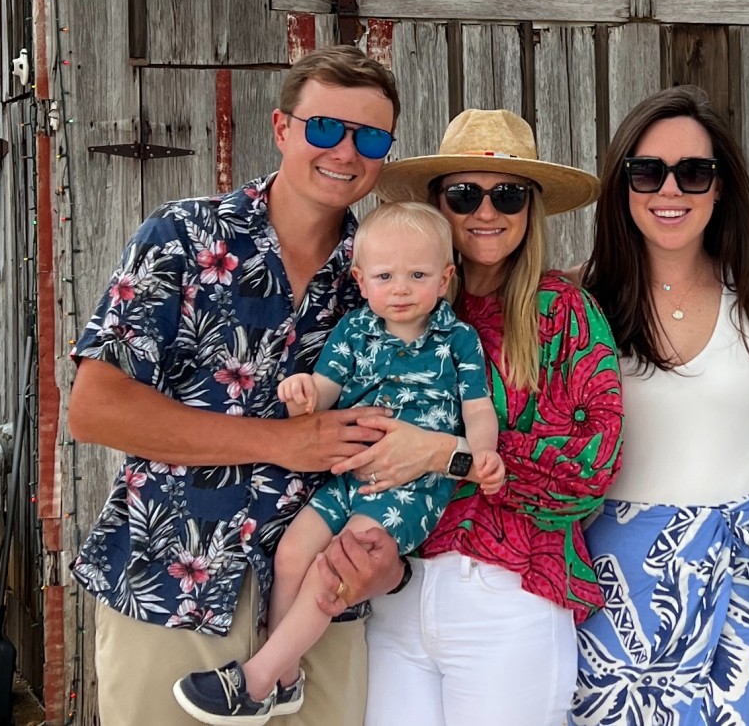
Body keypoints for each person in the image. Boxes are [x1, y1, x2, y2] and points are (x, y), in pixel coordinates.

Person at [66, 44, 413, 726]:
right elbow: (95, 409)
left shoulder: (386, 277)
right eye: (323, 128)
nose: (344, 150)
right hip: (170, 585)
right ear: (282, 129)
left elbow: (417, 424)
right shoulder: (183, 239)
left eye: (368, 136)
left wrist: (390, 564)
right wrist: (283, 442)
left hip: (322, 605)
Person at [173, 202, 505, 722]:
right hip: (348, 477)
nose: (400, 289)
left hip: (409, 489)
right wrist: (303, 392)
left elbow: (477, 408)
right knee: (291, 555)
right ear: (361, 279)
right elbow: (325, 393)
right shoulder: (353, 330)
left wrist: (480, 454)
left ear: (444, 279)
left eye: (417, 276)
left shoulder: (458, 339)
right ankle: (285, 679)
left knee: (335, 570)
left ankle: (257, 679)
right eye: (385, 276)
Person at [362, 109, 624, 726]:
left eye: (507, 195)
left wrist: (443, 452)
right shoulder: (393, 308)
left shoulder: (563, 314)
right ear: (438, 204)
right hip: (397, 589)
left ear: (530, 208)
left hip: (509, 594)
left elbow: (594, 466)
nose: (486, 212)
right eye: (465, 194)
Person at [573, 86, 749, 726]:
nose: (669, 191)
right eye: (647, 172)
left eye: (693, 173)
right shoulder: (586, 299)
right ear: (622, 185)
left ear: (720, 186)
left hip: (743, 568)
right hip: (616, 572)